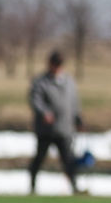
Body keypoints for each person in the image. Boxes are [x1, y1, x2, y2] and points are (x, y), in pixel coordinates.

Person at [27, 50, 84, 195]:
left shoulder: (68, 81)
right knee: (40, 157)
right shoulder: (41, 82)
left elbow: (74, 102)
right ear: (50, 64)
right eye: (55, 63)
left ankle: (74, 186)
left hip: (64, 128)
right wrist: (44, 112)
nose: (58, 67)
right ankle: (32, 185)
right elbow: (35, 99)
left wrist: (77, 118)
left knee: (68, 159)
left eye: (60, 64)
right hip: (46, 129)